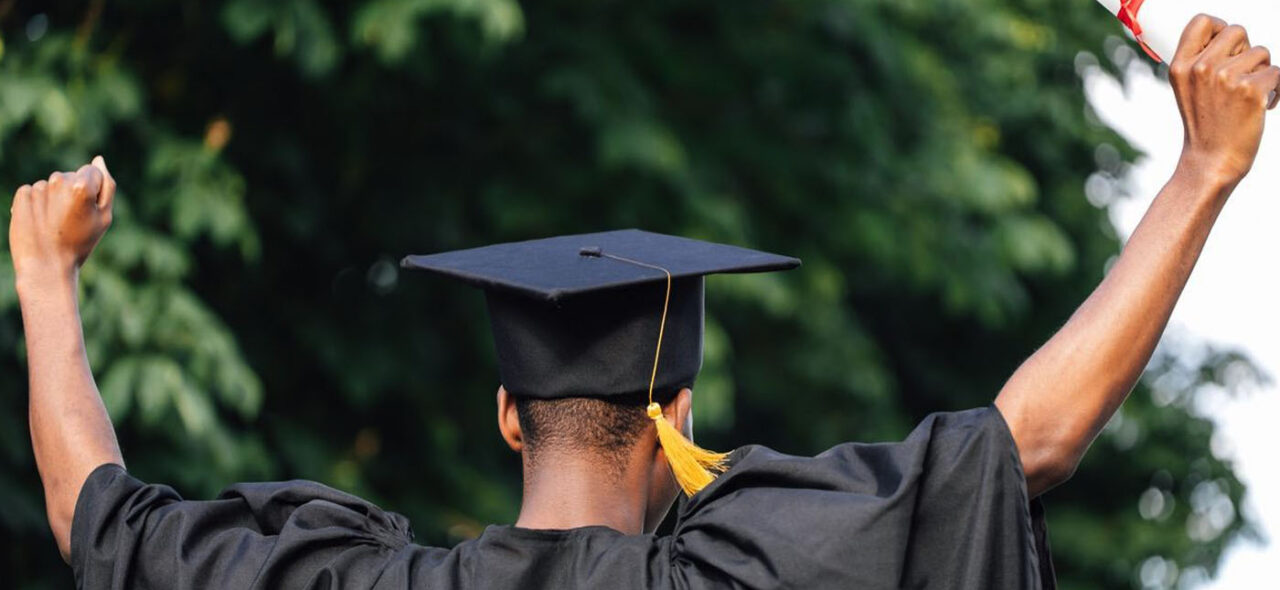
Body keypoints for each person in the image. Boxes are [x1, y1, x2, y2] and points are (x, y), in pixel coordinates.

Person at [12, 15, 1276, 590]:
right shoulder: (771, 568)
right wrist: (1202, 172)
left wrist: (46, 278)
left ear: (510, 412)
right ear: (675, 405)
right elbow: (1027, 440)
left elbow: (96, 520)